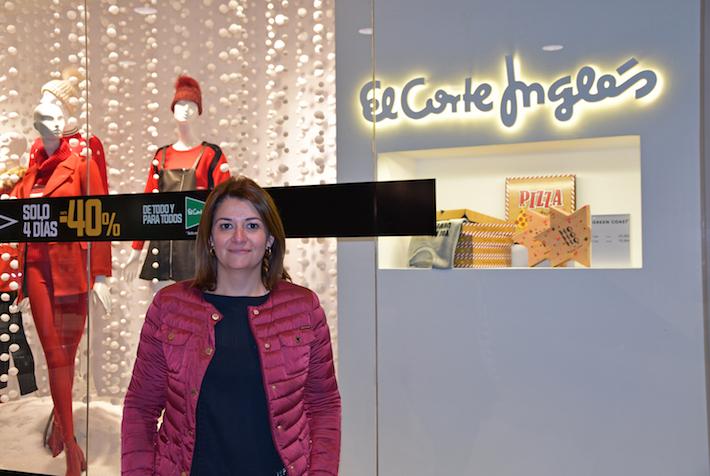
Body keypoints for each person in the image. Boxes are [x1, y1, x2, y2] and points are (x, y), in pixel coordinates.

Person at [121, 176, 341, 475]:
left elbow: (324, 405)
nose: (239, 237)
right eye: (226, 226)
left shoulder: (303, 307)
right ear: (210, 239)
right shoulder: (169, 306)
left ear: (270, 238)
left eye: (252, 225)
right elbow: (141, 406)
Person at [13, 102, 112, 476]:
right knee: (54, 355)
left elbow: (99, 220)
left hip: (72, 271)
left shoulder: (82, 166)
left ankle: (60, 423)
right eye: (45, 118)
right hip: (36, 270)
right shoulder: (30, 175)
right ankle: (71, 444)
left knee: (67, 356)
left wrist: (100, 276)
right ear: (36, 124)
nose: (54, 124)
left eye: (58, 118)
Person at [122, 75, 231, 288]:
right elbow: (148, 205)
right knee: (163, 305)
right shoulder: (161, 155)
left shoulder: (211, 154)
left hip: (196, 250)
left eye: (191, 105)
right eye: (180, 104)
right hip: (162, 250)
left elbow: (226, 205)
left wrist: (225, 255)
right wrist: (136, 251)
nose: (185, 109)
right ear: (172, 109)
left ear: (199, 111)